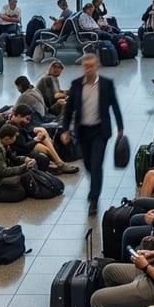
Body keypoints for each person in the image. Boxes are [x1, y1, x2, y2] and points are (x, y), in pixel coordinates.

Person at [61, 53, 124, 216]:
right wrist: (65, 130)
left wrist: (120, 127)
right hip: (82, 131)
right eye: (85, 66)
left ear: (97, 66)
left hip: (100, 131)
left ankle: (94, 198)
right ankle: (94, 187)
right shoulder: (76, 85)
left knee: (96, 165)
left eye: (91, 66)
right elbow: (68, 110)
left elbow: (115, 105)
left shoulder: (106, 84)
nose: (88, 69)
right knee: (88, 164)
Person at [0, 123, 40, 199]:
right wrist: (25, 167)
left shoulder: (1, 140)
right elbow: (3, 171)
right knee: (19, 193)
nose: (15, 139)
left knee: (26, 177)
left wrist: (24, 159)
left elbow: (13, 158)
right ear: (7, 138)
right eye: (14, 137)